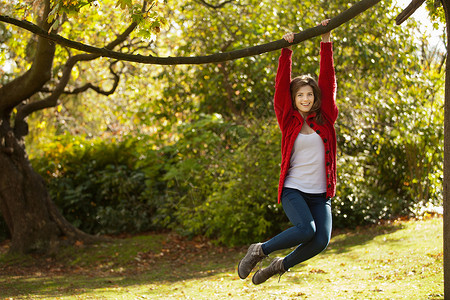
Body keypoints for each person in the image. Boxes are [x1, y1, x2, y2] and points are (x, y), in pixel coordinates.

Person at [237, 19, 337, 285]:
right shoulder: (288, 121)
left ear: (316, 97)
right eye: (300, 95)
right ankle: (259, 250)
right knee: (306, 230)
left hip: (320, 195)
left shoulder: (325, 119)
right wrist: (286, 51)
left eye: (309, 95)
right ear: (293, 99)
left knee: (321, 240)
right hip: (294, 190)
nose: (305, 99)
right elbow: (280, 87)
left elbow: (328, 81)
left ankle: (278, 266)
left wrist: (325, 41)